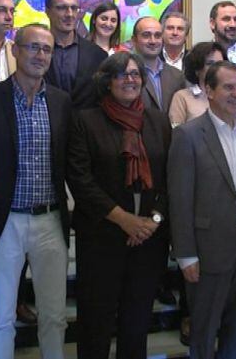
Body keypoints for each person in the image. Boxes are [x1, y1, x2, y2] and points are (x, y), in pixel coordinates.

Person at [0, 24, 71, 359]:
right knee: (1, 317)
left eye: (46, 49)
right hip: (4, 221)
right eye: (33, 47)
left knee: (54, 315)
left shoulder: (60, 102)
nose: (40, 55)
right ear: (15, 50)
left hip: (50, 220)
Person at [67, 51, 171, 359]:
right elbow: (81, 180)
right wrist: (124, 219)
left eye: (136, 74)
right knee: (96, 323)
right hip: (102, 236)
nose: (131, 80)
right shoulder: (85, 121)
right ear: (107, 82)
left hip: (149, 239)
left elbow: (169, 178)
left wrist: (152, 219)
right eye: (123, 74)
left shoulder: (158, 120)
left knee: (137, 321)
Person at [168, 61, 236, 359]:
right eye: (228, 87)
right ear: (209, 90)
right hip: (207, 248)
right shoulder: (188, 135)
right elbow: (180, 199)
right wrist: (186, 254)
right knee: (204, 330)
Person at [44, 0, 108, 109]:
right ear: (47, 11)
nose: (70, 14)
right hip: (45, 124)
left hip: (84, 126)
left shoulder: (98, 55)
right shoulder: (33, 53)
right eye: (62, 8)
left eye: (74, 8)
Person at [132, 16, 186, 112]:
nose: (153, 41)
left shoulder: (177, 76)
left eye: (157, 36)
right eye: (146, 35)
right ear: (134, 40)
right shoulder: (126, 74)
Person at [168, 41, 227, 127]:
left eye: (220, 64)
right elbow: (177, 134)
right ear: (197, 69)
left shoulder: (230, 96)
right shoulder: (182, 97)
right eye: (210, 64)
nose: (217, 69)